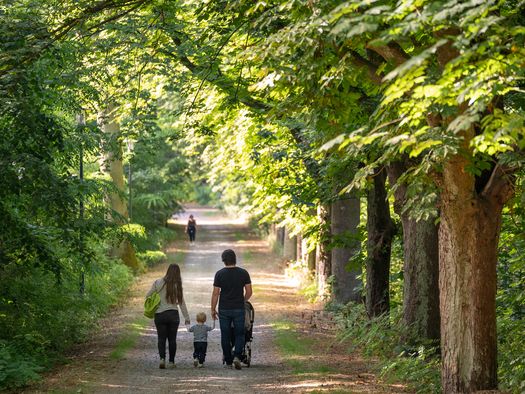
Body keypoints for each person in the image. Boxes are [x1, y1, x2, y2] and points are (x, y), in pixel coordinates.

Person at [211, 249, 252, 370]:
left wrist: (213, 309)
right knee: (240, 333)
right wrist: (242, 300)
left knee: (225, 334)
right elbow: (249, 292)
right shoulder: (243, 273)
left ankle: (228, 361)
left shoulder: (219, 274)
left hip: (224, 309)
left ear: (223, 260)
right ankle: (237, 357)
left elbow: (215, 294)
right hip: (239, 308)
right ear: (235, 259)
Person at [146, 263, 190, 369]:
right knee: (172, 339)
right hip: (173, 315)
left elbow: (148, 295)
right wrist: (187, 317)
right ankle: (171, 362)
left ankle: (162, 359)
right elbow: (181, 303)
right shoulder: (177, 285)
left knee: (161, 338)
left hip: (160, 314)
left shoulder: (158, 282)